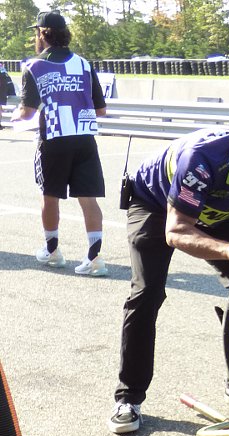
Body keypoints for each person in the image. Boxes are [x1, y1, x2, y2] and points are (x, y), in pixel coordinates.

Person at [108, 110, 229, 434]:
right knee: (147, 293)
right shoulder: (202, 158)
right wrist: (228, 250)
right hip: (156, 206)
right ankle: (128, 398)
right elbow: (176, 232)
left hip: (212, 212)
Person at [12, 11, 107, 276]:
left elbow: (27, 113)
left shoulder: (34, 66)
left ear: (42, 34)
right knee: (88, 198)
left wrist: (13, 115)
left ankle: (52, 251)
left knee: (50, 195)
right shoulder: (84, 64)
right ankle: (94, 258)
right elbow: (101, 110)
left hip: (53, 138)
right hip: (84, 137)